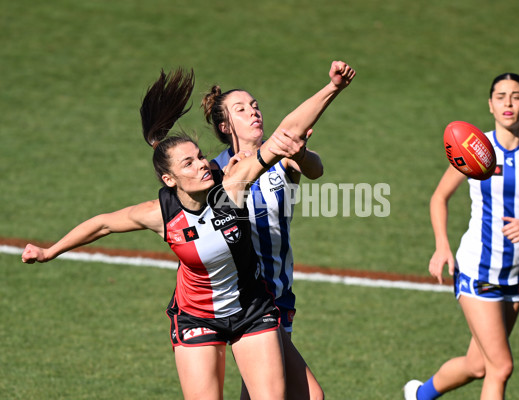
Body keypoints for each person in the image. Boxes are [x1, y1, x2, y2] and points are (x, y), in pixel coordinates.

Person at [21, 61, 355, 400]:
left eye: (200, 157)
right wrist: (49, 252)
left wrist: (333, 89)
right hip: (199, 317)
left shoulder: (232, 187)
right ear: (170, 179)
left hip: (254, 306)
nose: (203, 164)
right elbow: (104, 223)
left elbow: (284, 135)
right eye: (190, 163)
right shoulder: (162, 214)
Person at [403, 73, 519, 400]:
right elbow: (439, 197)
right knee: (501, 367)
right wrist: (442, 246)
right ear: (490, 105)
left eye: (516, 96)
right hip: (477, 270)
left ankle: (419, 395)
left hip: (516, 273)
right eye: (500, 96)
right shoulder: (473, 148)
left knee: (478, 365)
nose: (508, 103)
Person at [200, 61, 354, 400]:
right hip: (248, 299)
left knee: (259, 392)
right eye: (241, 110)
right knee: (310, 396)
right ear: (225, 125)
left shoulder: (280, 156)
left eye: (255, 105)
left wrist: (332, 89)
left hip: (280, 292)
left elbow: (314, 167)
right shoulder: (213, 172)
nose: (254, 112)